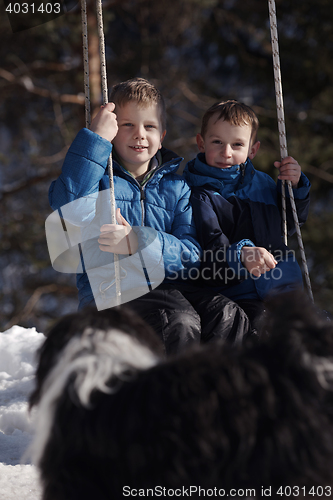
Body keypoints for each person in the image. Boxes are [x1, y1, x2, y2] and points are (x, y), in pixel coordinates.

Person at [48, 80, 251, 354]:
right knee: (178, 320)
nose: (139, 134)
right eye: (127, 125)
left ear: (162, 135)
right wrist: (94, 139)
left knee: (227, 313)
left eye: (149, 126)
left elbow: (191, 255)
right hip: (112, 293)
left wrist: (138, 242)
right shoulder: (98, 181)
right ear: (111, 131)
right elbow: (68, 208)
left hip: (172, 290)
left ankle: (216, 389)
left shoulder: (177, 189)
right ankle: (170, 393)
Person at [183, 100, 311, 332]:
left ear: (252, 150)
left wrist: (295, 187)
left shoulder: (263, 183)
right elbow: (212, 249)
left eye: (237, 144)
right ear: (201, 143)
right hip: (237, 292)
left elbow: (289, 225)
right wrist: (241, 255)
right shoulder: (200, 194)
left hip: (283, 288)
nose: (226, 152)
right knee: (268, 332)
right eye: (217, 142)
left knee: (316, 332)